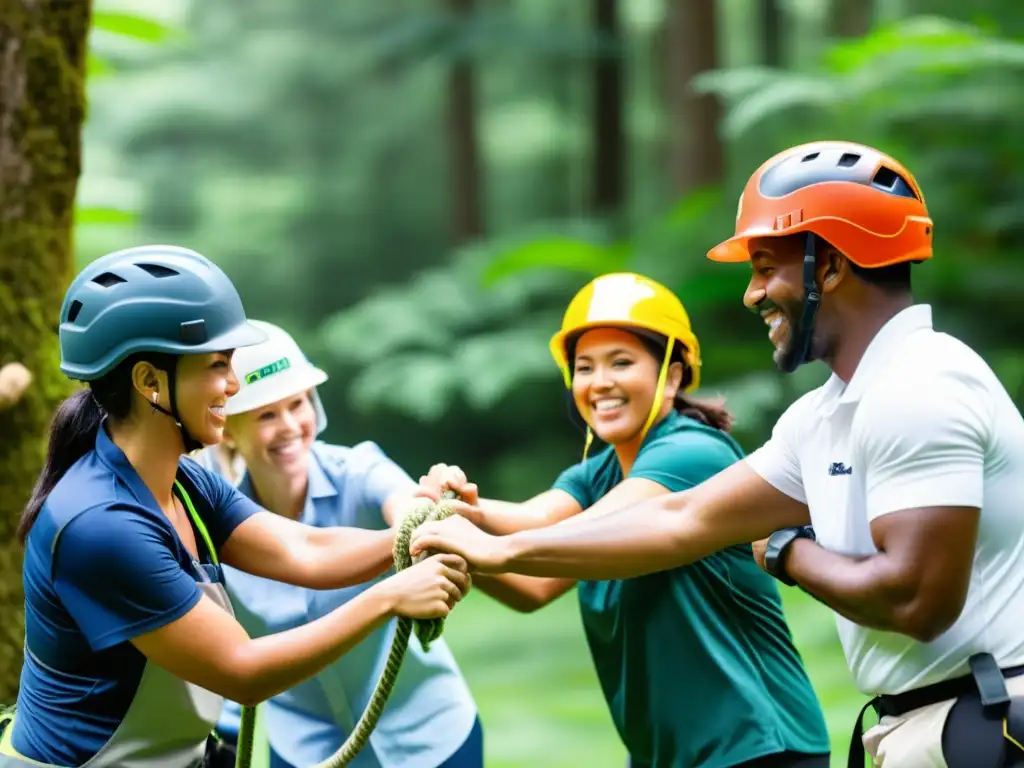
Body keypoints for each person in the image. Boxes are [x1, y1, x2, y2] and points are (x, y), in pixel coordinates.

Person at [410, 141, 1024, 768]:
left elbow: (914, 601)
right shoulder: (821, 417)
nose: (751, 294)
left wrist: (787, 552)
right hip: (930, 723)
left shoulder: (918, 386)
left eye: (765, 267)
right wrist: (481, 531)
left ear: (831, 266)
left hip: (983, 721)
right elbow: (684, 521)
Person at [0, 245, 469, 768]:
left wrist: (413, 534)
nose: (235, 384)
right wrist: (390, 597)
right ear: (149, 382)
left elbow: (303, 550)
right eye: (218, 365)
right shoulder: (102, 525)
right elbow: (241, 670)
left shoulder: (183, 481)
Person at [416, 272, 831, 768]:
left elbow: (576, 532)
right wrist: (448, 516)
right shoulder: (595, 474)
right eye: (585, 367)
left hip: (758, 746)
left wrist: (470, 528)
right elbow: (534, 569)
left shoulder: (692, 454)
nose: (600, 382)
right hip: (671, 756)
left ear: (672, 376)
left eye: (621, 362)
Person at [192, 319, 482, 768]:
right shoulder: (210, 524)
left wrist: (427, 509)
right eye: (267, 413)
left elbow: (404, 507)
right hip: (306, 750)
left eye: (298, 403)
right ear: (228, 430)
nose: (290, 426)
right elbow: (220, 639)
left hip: (429, 736)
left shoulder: (359, 469)